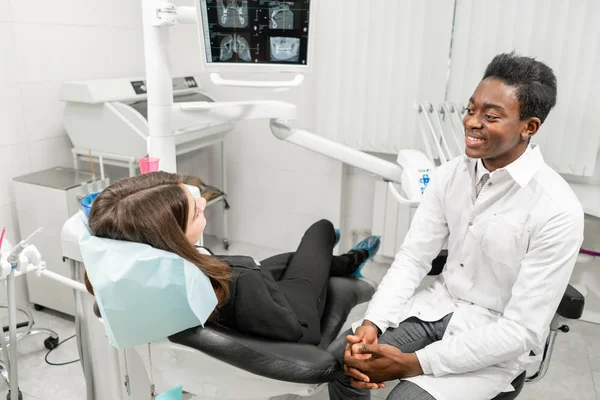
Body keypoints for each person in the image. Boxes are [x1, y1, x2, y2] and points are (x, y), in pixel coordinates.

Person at [328, 52, 585, 400]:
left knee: (406, 398)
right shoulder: (450, 175)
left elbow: (521, 330)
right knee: (345, 359)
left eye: (490, 116)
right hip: (438, 306)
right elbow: (413, 259)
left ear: (529, 127)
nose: (472, 122)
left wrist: (410, 363)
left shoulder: (557, 208)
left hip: (495, 336)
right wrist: (373, 324)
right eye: (470, 109)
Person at [84, 171, 381, 345]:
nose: (203, 202)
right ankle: (351, 260)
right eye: (197, 210)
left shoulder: (143, 280)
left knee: (292, 258)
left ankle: (335, 262)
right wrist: (253, 270)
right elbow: (289, 328)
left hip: (253, 294)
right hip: (295, 316)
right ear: (171, 236)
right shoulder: (240, 278)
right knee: (321, 230)